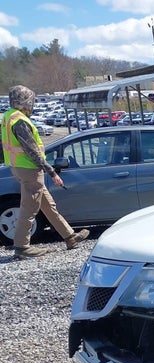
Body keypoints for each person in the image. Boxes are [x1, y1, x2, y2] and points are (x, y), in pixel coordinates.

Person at [1, 85, 88, 259]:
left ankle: (69, 236)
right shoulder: (20, 121)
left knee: (48, 205)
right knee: (29, 208)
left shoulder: (8, 116)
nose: (32, 105)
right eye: (31, 101)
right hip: (30, 170)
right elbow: (33, 151)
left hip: (19, 167)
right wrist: (52, 172)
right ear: (26, 102)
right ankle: (22, 247)